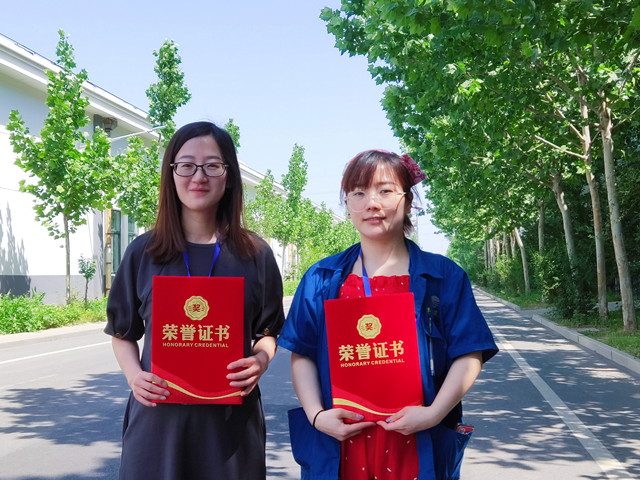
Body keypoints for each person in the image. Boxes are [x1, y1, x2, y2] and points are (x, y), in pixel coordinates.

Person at [277, 150, 498, 480]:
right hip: (341, 442)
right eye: (358, 193)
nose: (372, 203)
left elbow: (469, 353)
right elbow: (303, 353)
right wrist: (317, 416)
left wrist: (434, 414)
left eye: (385, 190)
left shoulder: (443, 277)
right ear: (347, 203)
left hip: (416, 439)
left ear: (407, 201)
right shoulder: (321, 279)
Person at [105, 121, 285, 480]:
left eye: (212, 166)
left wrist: (261, 361)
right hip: (159, 421)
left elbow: (267, 332)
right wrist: (134, 376)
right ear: (171, 174)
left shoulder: (255, 254)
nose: (198, 176)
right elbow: (123, 333)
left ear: (229, 176)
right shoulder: (144, 252)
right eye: (186, 165)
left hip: (231, 427)